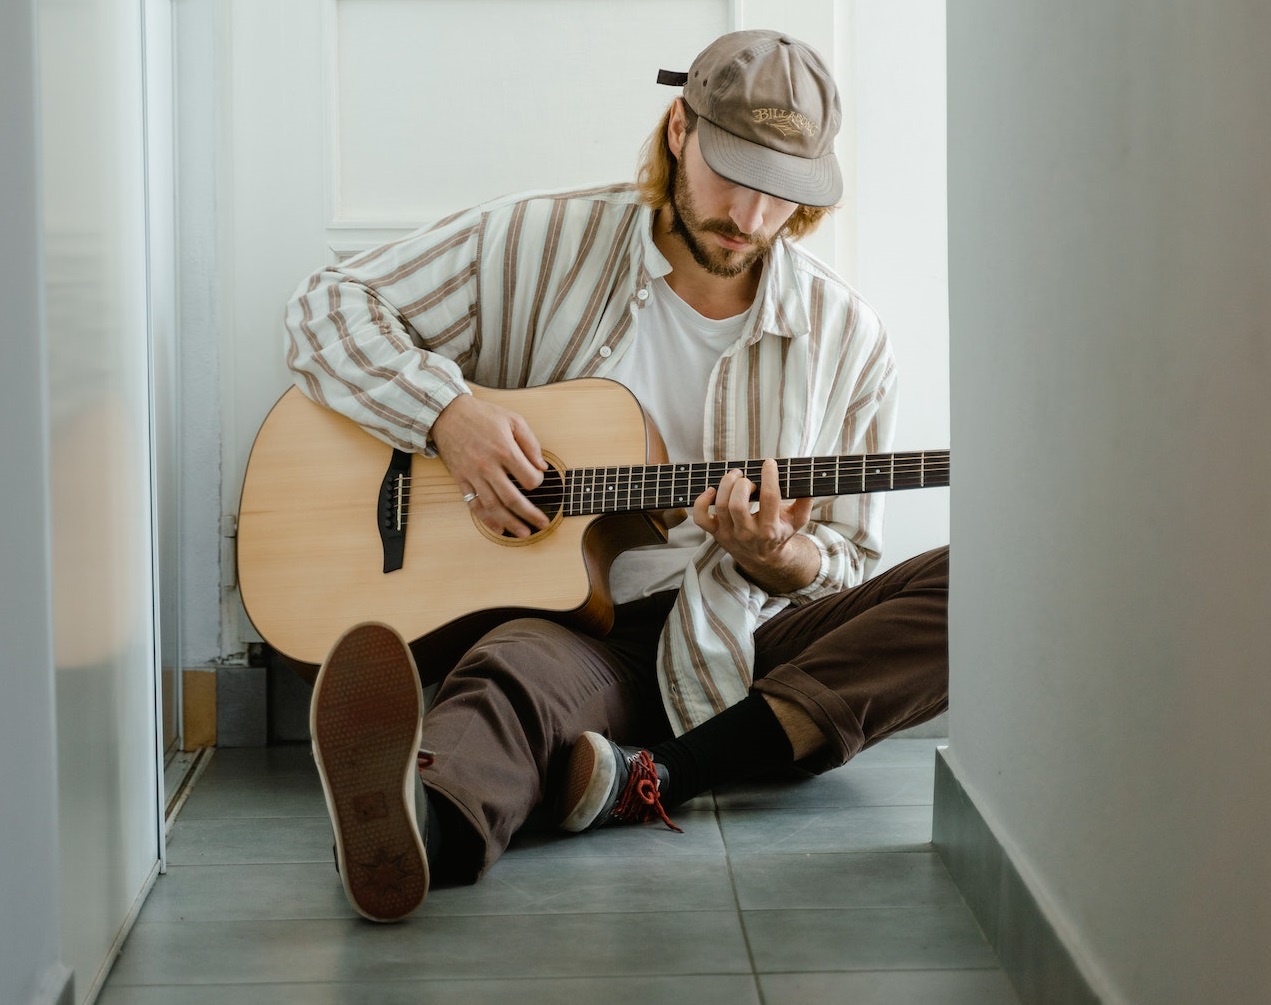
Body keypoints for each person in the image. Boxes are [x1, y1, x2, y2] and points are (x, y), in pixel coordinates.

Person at [283, 29, 949, 923]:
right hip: (579, 632)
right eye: (733, 173)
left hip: (754, 642)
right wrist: (450, 417)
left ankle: (660, 773)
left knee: (987, 579)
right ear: (679, 128)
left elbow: (850, 561)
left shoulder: (847, 339)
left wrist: (778, 557)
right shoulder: (535, 239)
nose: (749, 217)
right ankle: (415, 831)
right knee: (505, 681)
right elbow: (327, 307)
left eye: (780, 194)